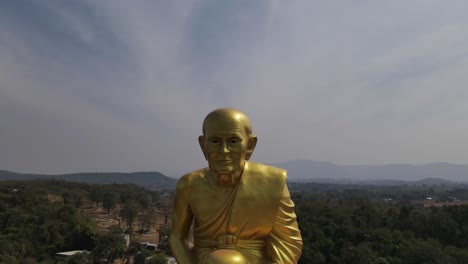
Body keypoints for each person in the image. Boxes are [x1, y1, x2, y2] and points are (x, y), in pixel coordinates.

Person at [169, 108, 302, 264]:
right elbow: (177, 237)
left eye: (233, 141)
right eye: (215, 141)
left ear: (250, 144)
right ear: (203, 144)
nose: (224, 151)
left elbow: (289, 242)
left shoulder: (272, 182)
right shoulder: (189, 185)